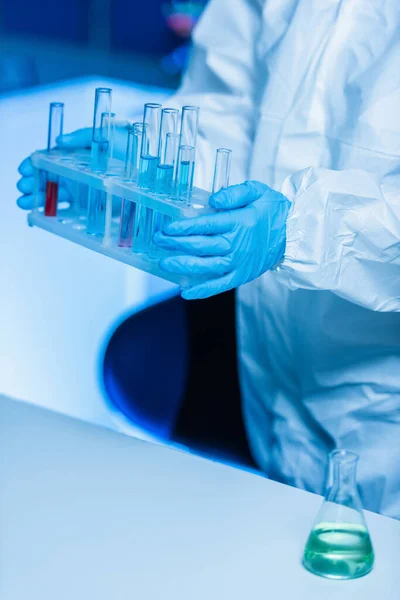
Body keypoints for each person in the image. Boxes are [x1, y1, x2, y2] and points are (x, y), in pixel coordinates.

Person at [17, 0, 400, 519]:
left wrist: (307, 229)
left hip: (385, 396)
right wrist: (147, 157)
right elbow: (228, 107)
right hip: (273, 354)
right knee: (294, 535)